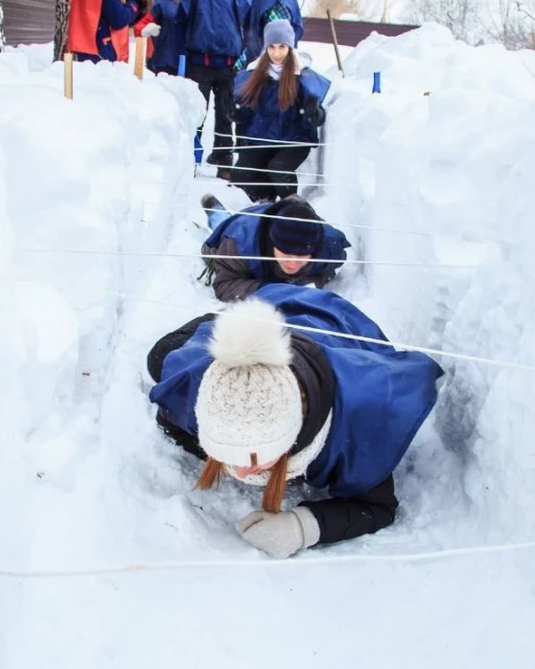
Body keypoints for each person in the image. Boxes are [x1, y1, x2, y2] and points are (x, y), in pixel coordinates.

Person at [147, 287, 443, 558]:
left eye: (254, 456)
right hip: (270, 314)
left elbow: (378, 507)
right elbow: (171, 418)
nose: (241, 470)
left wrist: (302, 527)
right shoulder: (199, 392)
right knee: (160, 358)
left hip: (337, 323)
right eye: (226, 453)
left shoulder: (355, 428)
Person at [177, 0, 252, 179]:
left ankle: (224, 158)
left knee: (225, 113)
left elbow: (249, 25)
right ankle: (190, 155)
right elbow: (181, 21)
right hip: (199, 62)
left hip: (228, 64)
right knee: (197, 111)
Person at [233, 19, 327, 201]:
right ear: (266, 48)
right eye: (272, 47)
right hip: (263, 136)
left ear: (290, 48)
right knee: (242, 173)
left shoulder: (303, 75)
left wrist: (313, 113)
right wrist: (235, 113)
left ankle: (291, 206)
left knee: (278, 168)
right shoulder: (254, 75)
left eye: (282, 47)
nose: (277, 53)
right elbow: (247, 113)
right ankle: (266, 201)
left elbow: (318, 116)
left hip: (294, 139)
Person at [200, 194, 350, 302]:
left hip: (288, 215)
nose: (292, 263)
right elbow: (224, 285)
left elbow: (328, 271)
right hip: (244, 223)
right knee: (221, 222)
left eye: (301, 256)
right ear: (273, 243)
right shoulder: (238, 244)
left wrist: (308, 282)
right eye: (285, 253)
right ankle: (215, 210)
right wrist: (272, 290)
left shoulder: (330, 246)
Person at [147, 0, 192, 75]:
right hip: (165, 58)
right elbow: (145, 23)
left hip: (190, 60)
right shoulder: (161, 2)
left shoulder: (195, 2)